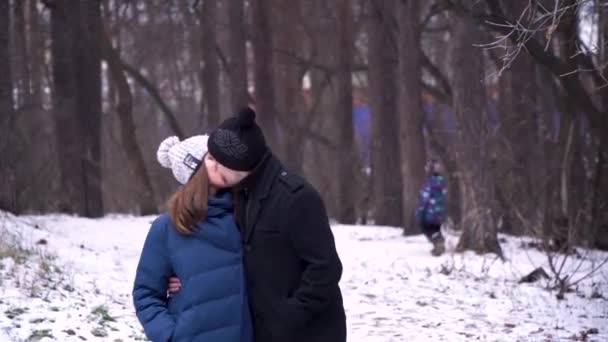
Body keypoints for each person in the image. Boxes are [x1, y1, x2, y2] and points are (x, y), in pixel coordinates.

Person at [168, 107, 346, 342]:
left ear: (240, 167)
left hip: (308, 333)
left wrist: (289, 316)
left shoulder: (296, 198)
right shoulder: (237, 194)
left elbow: (325, 269)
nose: (210, 169)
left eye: (217, 162)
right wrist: (188, 276)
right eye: (210, 158)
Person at [132, 134, 253, 342]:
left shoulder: (249, 216)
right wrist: (170, 335)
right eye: (212, 159)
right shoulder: (168, 227)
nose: (221, 165)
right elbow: (146, 293)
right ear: (193, 171)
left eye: (222, 158)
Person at [416, 159, 448, 256]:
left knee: (427, 228)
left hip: (429, 211)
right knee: (435, 228)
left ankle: (438, 243)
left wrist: (420, 210)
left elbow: (425, 198)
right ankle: (438, 243)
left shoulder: (430, 183)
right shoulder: (441, 182)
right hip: (439, 211)